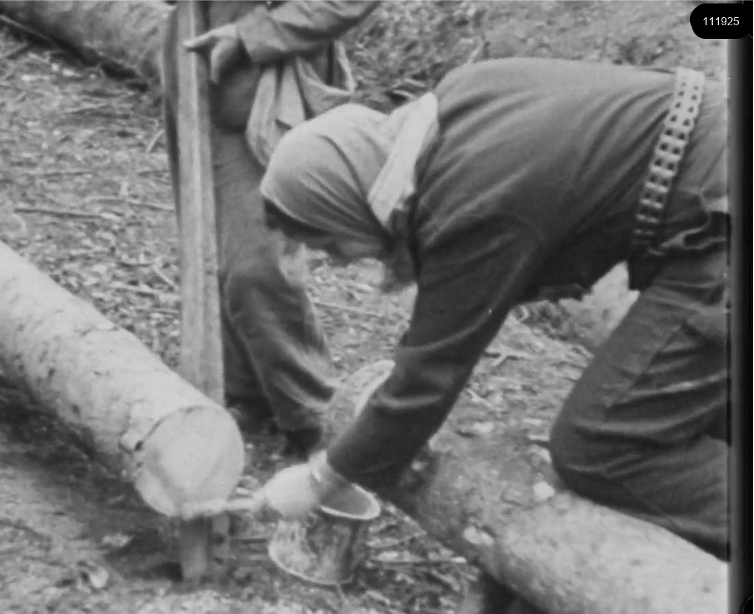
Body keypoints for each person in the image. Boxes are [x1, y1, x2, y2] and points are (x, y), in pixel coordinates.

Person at [253, 57, 730, 560]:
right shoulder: (456, 107)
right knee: (695, 421)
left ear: (344, 200)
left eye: (330, 242)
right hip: (711, 190)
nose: (342, 262)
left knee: (599, 444)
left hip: (716, 225)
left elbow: (429, 377)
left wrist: (321, 479)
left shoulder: (469, 201)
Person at [159, 0, 382, 457]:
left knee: (256, 266)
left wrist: (253, 35)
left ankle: (312, 414)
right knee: (210, 256)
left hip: (265, 98)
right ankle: (250, 392)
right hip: (195, 82)